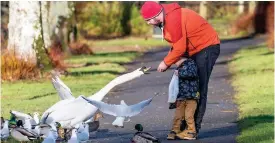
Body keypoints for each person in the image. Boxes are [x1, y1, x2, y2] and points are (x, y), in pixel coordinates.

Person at [140, 1, 220, 138]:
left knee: (197, 89)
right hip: (194, 50)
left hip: (206, 47)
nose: (148, 23)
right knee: (185, 87)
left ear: (156, 16)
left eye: (148, 20)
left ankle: (192, 130)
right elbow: (178, 42)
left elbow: (180, 48)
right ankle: (183, 128)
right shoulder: (167, 16)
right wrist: (177, 62)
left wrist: (166, 62)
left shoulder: (172, 19)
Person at [167, 58, 199, 140]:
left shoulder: (191, 64)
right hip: (181, 97)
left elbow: (192, 74)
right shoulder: (179, 67)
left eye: (175, 61)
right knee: (178, 115)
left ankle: (191, 131)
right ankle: (175, 130)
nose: (174, 63)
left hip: (191, 97)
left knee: (189, 116)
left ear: (180, 58)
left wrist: (179, 73)